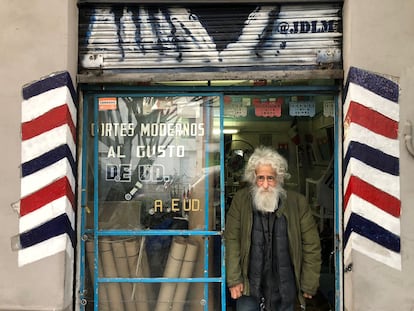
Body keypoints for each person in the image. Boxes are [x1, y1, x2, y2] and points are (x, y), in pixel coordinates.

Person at [225, 146, 321, 311]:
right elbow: (231, 240)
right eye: (260, 178)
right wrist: (234, 279)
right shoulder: (240, 201)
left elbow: (311, 245)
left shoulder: (297, 203)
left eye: (270, 178)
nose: (265, 184)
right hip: (249, 287)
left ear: (279, 178)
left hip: (285, 288)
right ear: (253, 178)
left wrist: (309, 282)